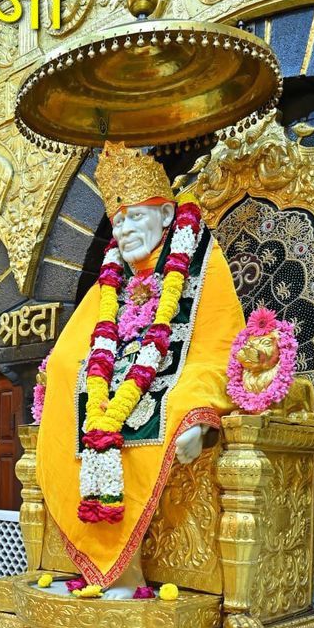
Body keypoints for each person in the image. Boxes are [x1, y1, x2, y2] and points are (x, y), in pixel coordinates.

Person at [36, 143, 245, 594]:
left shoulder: (202, 262)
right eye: (118, 221)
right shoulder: (113, 279)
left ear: (168, 216)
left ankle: (122, 568)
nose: (124, 231)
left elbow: (218, 348)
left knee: (175, 401)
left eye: (135, 217)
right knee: (69, 384)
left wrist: (200, 413)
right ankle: (100, 562)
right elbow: (75, 346)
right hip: (109, 392)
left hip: (172, 379)